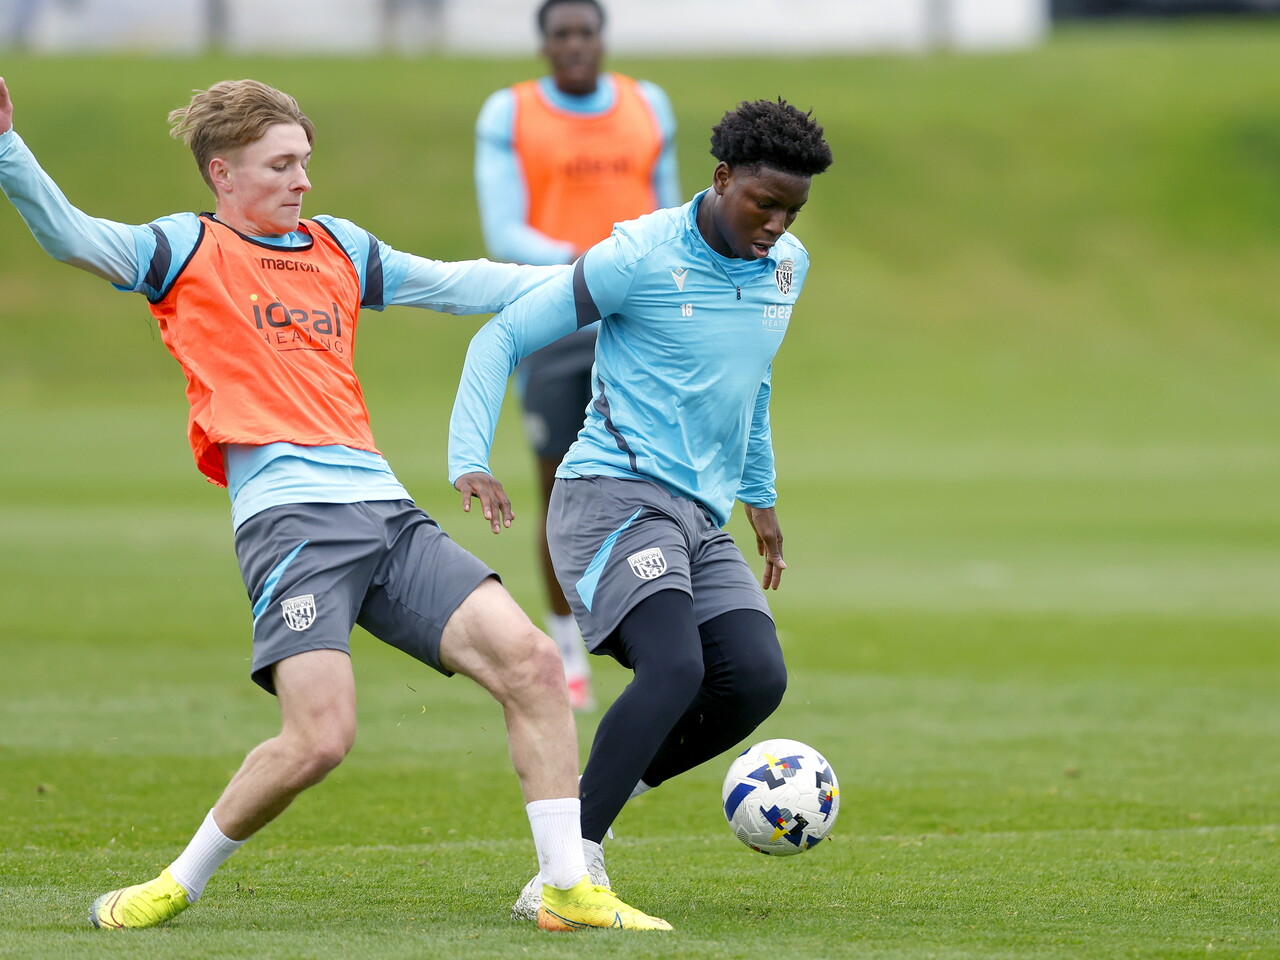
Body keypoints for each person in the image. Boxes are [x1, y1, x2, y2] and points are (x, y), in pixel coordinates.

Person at [0, 76, 670, 933]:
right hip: (293, 523)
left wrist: (598, 279)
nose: (302, 180)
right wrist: (8, 146)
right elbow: (68, 235)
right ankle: (175, 883)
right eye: (281, 165)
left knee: (534, 665)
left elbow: (461, 283)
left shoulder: (339, 246)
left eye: (305, 161)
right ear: (222, 173)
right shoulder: (181, 249)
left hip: (385, 512)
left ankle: (566, 884)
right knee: (319, 738)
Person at [449, 97, 833, 919]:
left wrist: (760, 496)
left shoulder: (787, 266)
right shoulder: (638, 255)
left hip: (698, 513)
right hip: (610, 496)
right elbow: (502, 335)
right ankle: (568, 872)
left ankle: (588, 808)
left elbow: (753, 384)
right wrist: (467, 457)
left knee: (753, 679)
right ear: (721, 178)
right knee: (675, 667)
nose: (776, 226)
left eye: (792, 212)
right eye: (764, 204)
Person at [473, 0, 680, 711]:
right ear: (544, 45)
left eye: (585, 32)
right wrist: (596, 263)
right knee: (560, 489)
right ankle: (566, 652)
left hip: (639, 319)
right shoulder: (510, 112)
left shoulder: (647, 104)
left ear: (602, 38)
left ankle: (667, 637)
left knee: (665, 481)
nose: (574, 44)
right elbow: (506, 230)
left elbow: (670, 212)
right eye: (560, 34)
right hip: (557, 316)